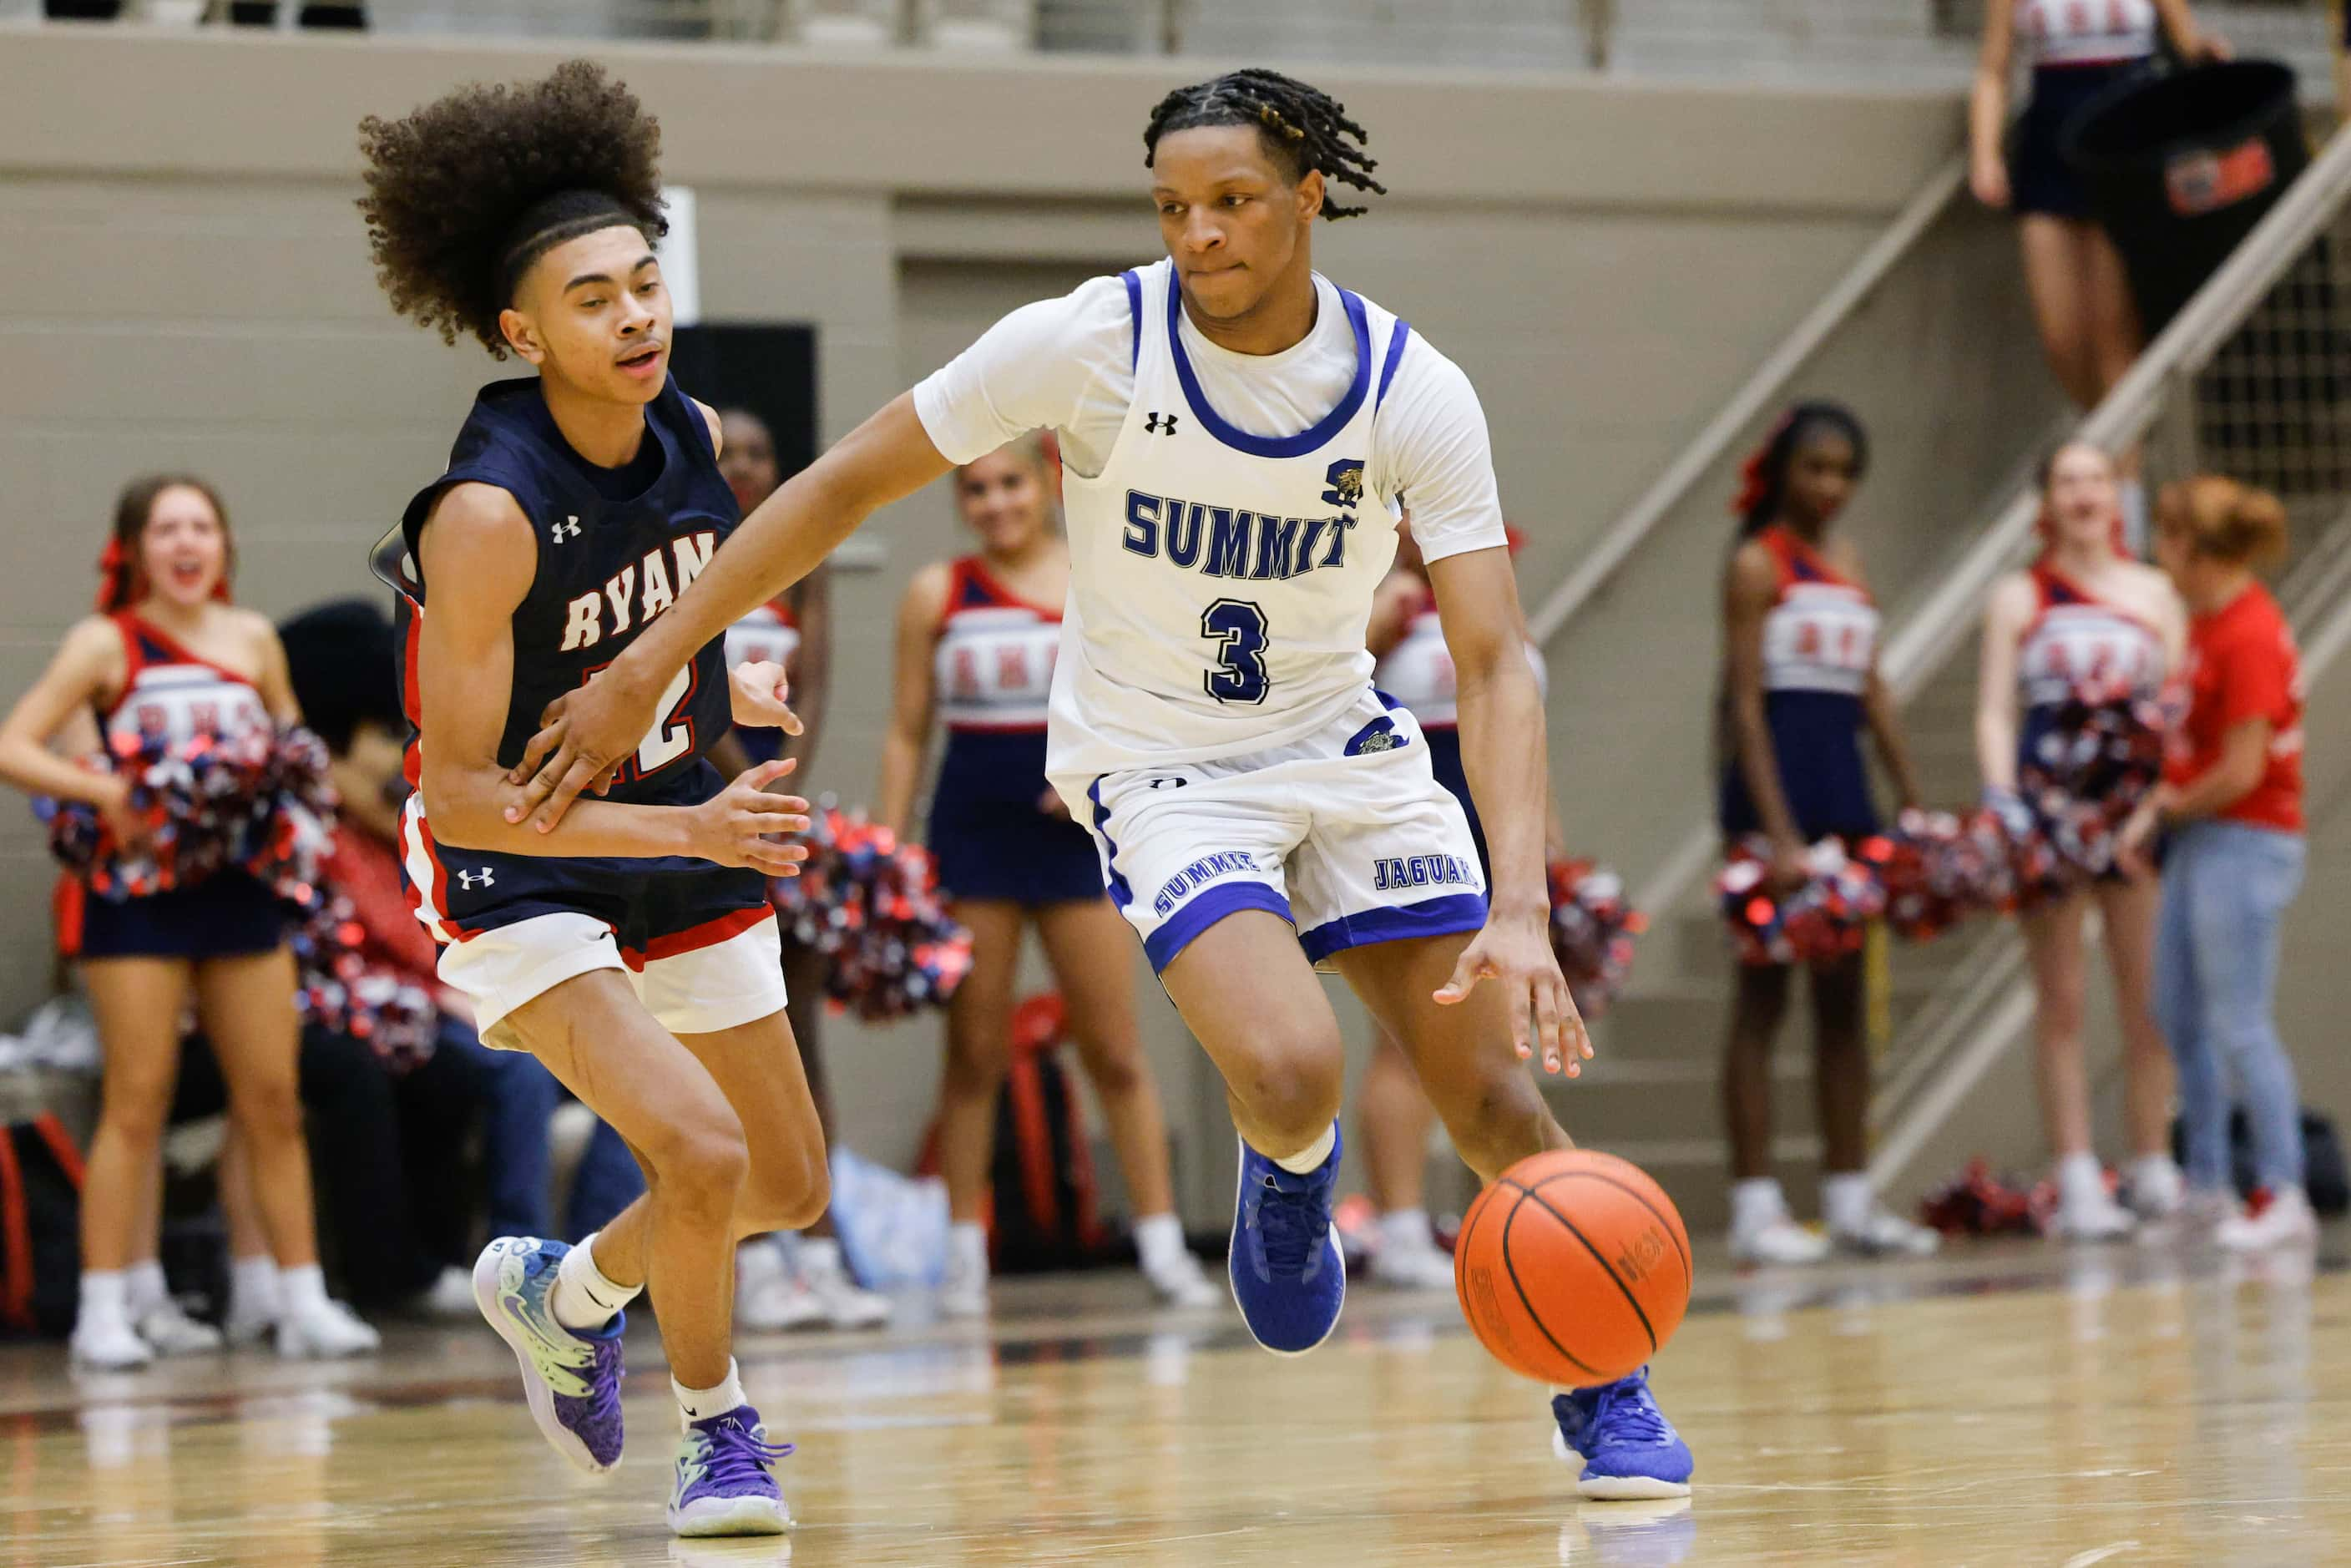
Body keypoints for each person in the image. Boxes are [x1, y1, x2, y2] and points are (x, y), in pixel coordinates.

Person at [509, 67, 1694, 1500]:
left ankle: (1604, 1376)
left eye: (1234, 203)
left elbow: (1496, 662)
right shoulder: (1089, 342)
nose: (1198, 235)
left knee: (1495, 1097)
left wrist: (1520, 904)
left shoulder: (1410, 389)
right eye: (1173, 207)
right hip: (1159, 760)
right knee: (1290, 1059)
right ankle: (1289, 1158)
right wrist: (654, 659)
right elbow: (834, 487)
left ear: (1310, 194)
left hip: (1343, 746)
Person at [356, 62, 828, 1536]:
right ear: (519, 330)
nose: (634, 316)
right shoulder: (487, 513)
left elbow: (681, 599)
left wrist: (730, 692)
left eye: (644, 283)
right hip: (524, 862)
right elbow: (476, 799)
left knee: (788, 1184)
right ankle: (720, 1432)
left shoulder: (681, 425)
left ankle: (572, 1292)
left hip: (671, 814)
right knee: (696, 1151)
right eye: (592, 298)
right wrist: (695, 822)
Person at [0, 476, 377, 1368]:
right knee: (137, 1101)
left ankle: (301, 1299)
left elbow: (297, 756)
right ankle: (103, 1309)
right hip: (138, 897)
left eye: (200, 526)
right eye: (166, 528)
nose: (185, 543)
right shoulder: (105, 641)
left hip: (241, 891)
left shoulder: (253, 640)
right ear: (133, 548)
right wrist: (104, 790)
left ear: (224, 544)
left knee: (274, 1100)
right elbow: (14, 745)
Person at [877, 433, 1219, 1316]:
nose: (995, 503)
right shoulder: (934, 593)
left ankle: (1159, 1244)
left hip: (1076, 843)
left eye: (1010, 486)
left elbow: (1152, 702)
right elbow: (908, 730)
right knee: (972, 1054)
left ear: (1044, 487)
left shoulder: (1096, 578)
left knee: (1114, 1050)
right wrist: (886, 851)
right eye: (976, 490)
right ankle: (963, 1257)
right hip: (972, 840)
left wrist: (1095, 784)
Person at [1716, 403, 1939, 1267]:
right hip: (1773, 804)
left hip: (1845, 802)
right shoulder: (1753, 564)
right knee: (1762, 1003)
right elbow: (1741, 704)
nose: (1830, 486)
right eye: (1815, 467)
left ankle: (1849, 1199)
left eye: (1844, 470)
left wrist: (1913, 804)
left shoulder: (1848, 564)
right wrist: (1774, 835)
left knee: (1845, 1002)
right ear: (1780, 471)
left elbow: (1872, 693)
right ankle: (1752, 1208)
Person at [1974, 443, 2186, 1237]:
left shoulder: (2156, 593)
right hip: (2050, 816)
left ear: (2115, 496)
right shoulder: (2018, 596)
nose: (2084, 493)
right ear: (2047, 500)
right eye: (2067, 480)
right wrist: (2007, 804)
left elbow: (2176, 709)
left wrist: (2156, 804)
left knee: (2147, 999)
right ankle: (2076, 1173)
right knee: (2061, 998)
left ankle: (2153, 1164)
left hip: (2131, 819)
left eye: (2097, 479)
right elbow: (1996, 710)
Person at [705, 408, 885, 1333]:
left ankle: (819, 1253)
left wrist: (783, 790)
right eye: (726, 453)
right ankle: (748, 1268)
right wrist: (746, 790)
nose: (741, 466)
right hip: (703, 821)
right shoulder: (685, 555)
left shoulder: (799, 555)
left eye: (757, 452)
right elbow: (690, 694)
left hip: (777, 817)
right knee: (715, 1046)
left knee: (799, 1036)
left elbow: (812, 683)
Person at [1355, 519, 1563, 1291]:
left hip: (1496, 836)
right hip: (1413, 826)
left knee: (1493, 1049)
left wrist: (1545, 840)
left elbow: (1522, 715)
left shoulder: (1488, 591)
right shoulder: (1380, 596)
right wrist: (1380, 618)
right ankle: (1400, 1225)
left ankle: (1516, 1221)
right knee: (1409, 1040)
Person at [2121, 476, 2311, 1250]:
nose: (2159, 555)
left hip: (2246, 838)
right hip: (2205, 840)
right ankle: (2206, 1186)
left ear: (2196, 550)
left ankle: (2285, 1189)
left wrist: (2163, 807)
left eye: (2167, 539)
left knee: (2240, 1021)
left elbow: (2242, 769)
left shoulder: (2248, 634)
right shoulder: (2205, 624)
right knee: (2177, 1013)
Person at [1969, 0, 2223, 549]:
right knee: (2062, 338)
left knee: (2113, 339)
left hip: (2126, 131)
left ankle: (2123, 519)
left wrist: (2205, 54)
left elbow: (2183, 41)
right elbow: (1994, 67)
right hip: (2049, 136)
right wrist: (1985, 152)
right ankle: (2114, 456)